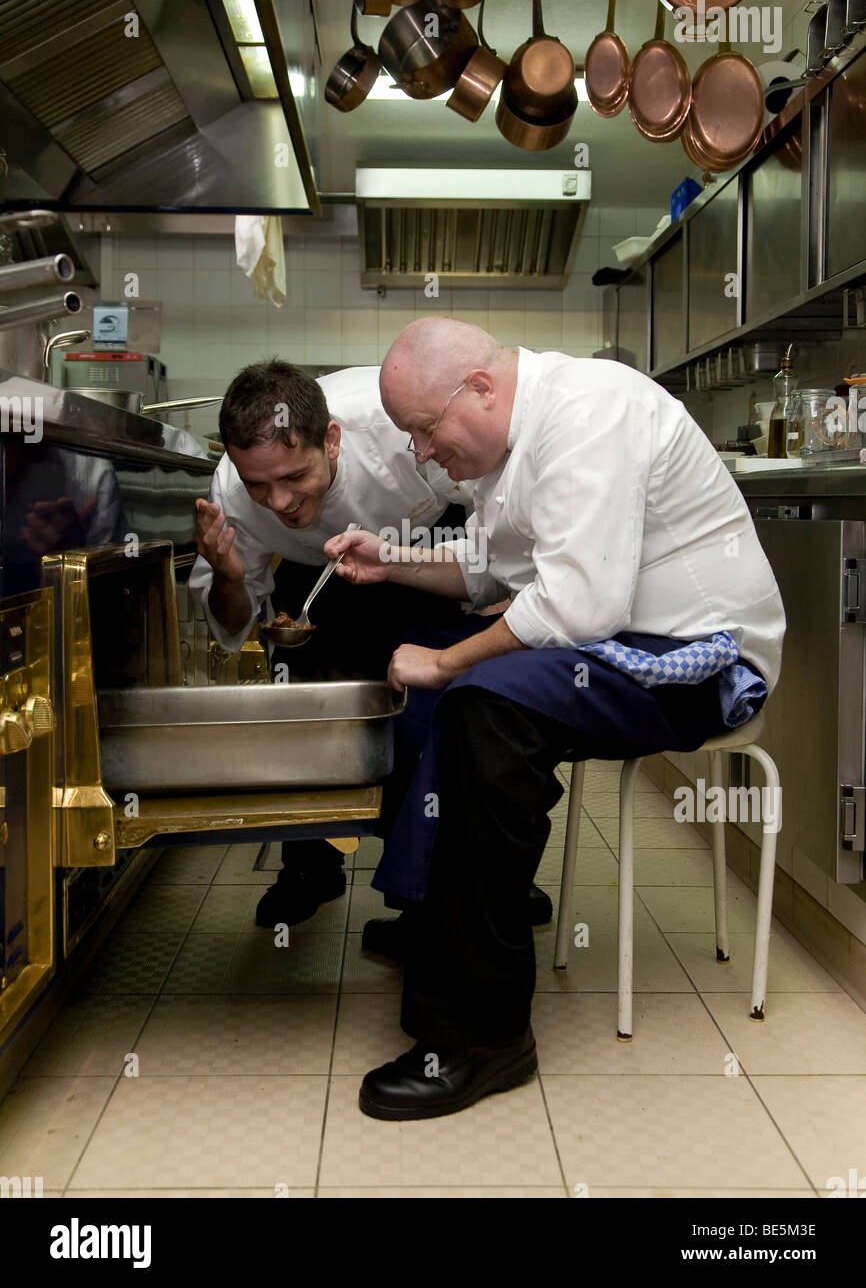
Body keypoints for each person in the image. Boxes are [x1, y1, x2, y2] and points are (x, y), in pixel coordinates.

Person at [322, 316, 786, 1121]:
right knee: (463, 696)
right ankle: (440, 920)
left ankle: (480, 1035)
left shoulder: (591, 410)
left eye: (425, 433)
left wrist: (446, 661)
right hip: (618, 642)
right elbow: (481, 568)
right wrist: (389, 560)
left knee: (480, 702)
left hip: (699, 661)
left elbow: (575, 603)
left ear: (481, 389)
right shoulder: (512, 447)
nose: (423, 455)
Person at [189, 358, 480, 930]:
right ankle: (309, 865)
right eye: (259, 486)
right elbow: (234, 627)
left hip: (428, 551)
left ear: (333, 439)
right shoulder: (229, 488)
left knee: (434, 713)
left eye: (295, 477)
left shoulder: (401, 425)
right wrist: (226, 575)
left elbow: (495, 507)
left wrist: (478, 584)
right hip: (312, 574)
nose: (278, 503)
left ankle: (445, 883)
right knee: (304, 709)